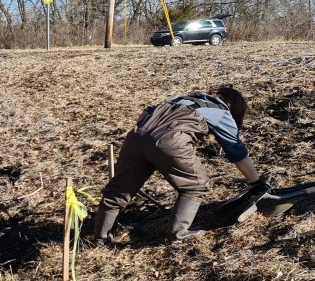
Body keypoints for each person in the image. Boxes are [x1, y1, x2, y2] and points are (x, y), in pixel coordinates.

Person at [94, 86, 269, 241]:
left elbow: (144, 115)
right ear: (235, 107)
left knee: (119, 190)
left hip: (135, 138)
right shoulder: (221, 111)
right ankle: (179, 232)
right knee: (196, 184)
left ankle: (100, 236)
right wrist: (255, 182)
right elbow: (236, 151)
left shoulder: (178, 100)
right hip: (169, 141)